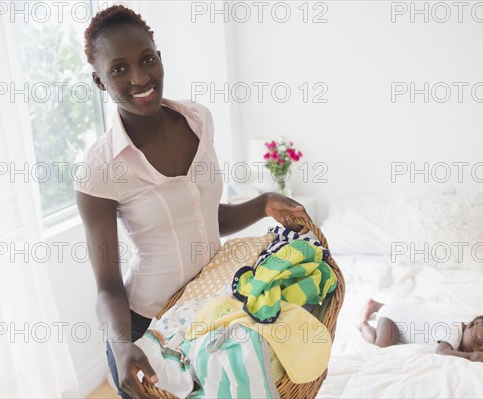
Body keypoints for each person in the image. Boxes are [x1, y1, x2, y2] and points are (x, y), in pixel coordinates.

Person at [75, 5, 312, 399]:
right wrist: (120, 347)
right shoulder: (99, 170)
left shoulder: (199, 121)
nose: (139, 77)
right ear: (99, 81)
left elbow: (204, 218)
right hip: (147, 328)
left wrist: (263, 202)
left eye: (146, 59)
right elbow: (107, 287)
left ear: (159, 58)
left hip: (210, 310)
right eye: (118, 69)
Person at [359, 299, 483, 362]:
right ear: (472, 324)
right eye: (478, 341)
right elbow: (441, 352)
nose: (475, 348)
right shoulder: (453, 332)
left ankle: (378, 306)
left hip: (401, 309)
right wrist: (470, 356)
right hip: (394, 317)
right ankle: (363, 323)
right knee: (381, 345)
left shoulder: (463, 329)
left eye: (482, 348)